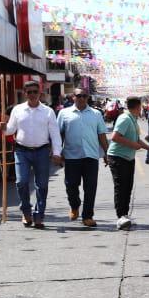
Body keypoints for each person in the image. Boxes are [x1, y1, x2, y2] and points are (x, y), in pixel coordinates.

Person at [3, 80, 62, 229]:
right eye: (29, 92)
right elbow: (10, 130)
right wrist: (3, 127)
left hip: (42, 150)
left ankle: (39, 215)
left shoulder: (48, 111)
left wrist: (57, 152)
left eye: (35, 92)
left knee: (42, 185)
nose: (32, 95)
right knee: (21, 182)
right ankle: (26, 211)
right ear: (25, 93)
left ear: (40, 93)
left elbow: (55, 133)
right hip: (22, 150)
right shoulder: (17, 109)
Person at [58, 89, 109, 227]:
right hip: (71, 156)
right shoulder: (64, 113)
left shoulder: (96, 114)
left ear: (88, 98)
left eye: (84, 96)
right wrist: (57, 152)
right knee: (71, 185)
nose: (81, 98)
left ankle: (87, 216)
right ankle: (74, 205)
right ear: (73, 97)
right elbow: (59, 134)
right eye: (78, 96)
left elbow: (102, 134)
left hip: (91, 155)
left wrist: (106, 153)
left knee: (90, 187)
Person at [106, 96, 149, 230]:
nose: (141, 109)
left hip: (128, 157)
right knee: (120, 187)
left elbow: (137, 140)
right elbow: (115, 137)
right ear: (137, 107)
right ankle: (120, 217)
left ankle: (125, 214)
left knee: (128, 187)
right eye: (140, 107)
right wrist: (133, 145)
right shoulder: (124, 118)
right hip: (118, 157)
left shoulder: (132, 119)